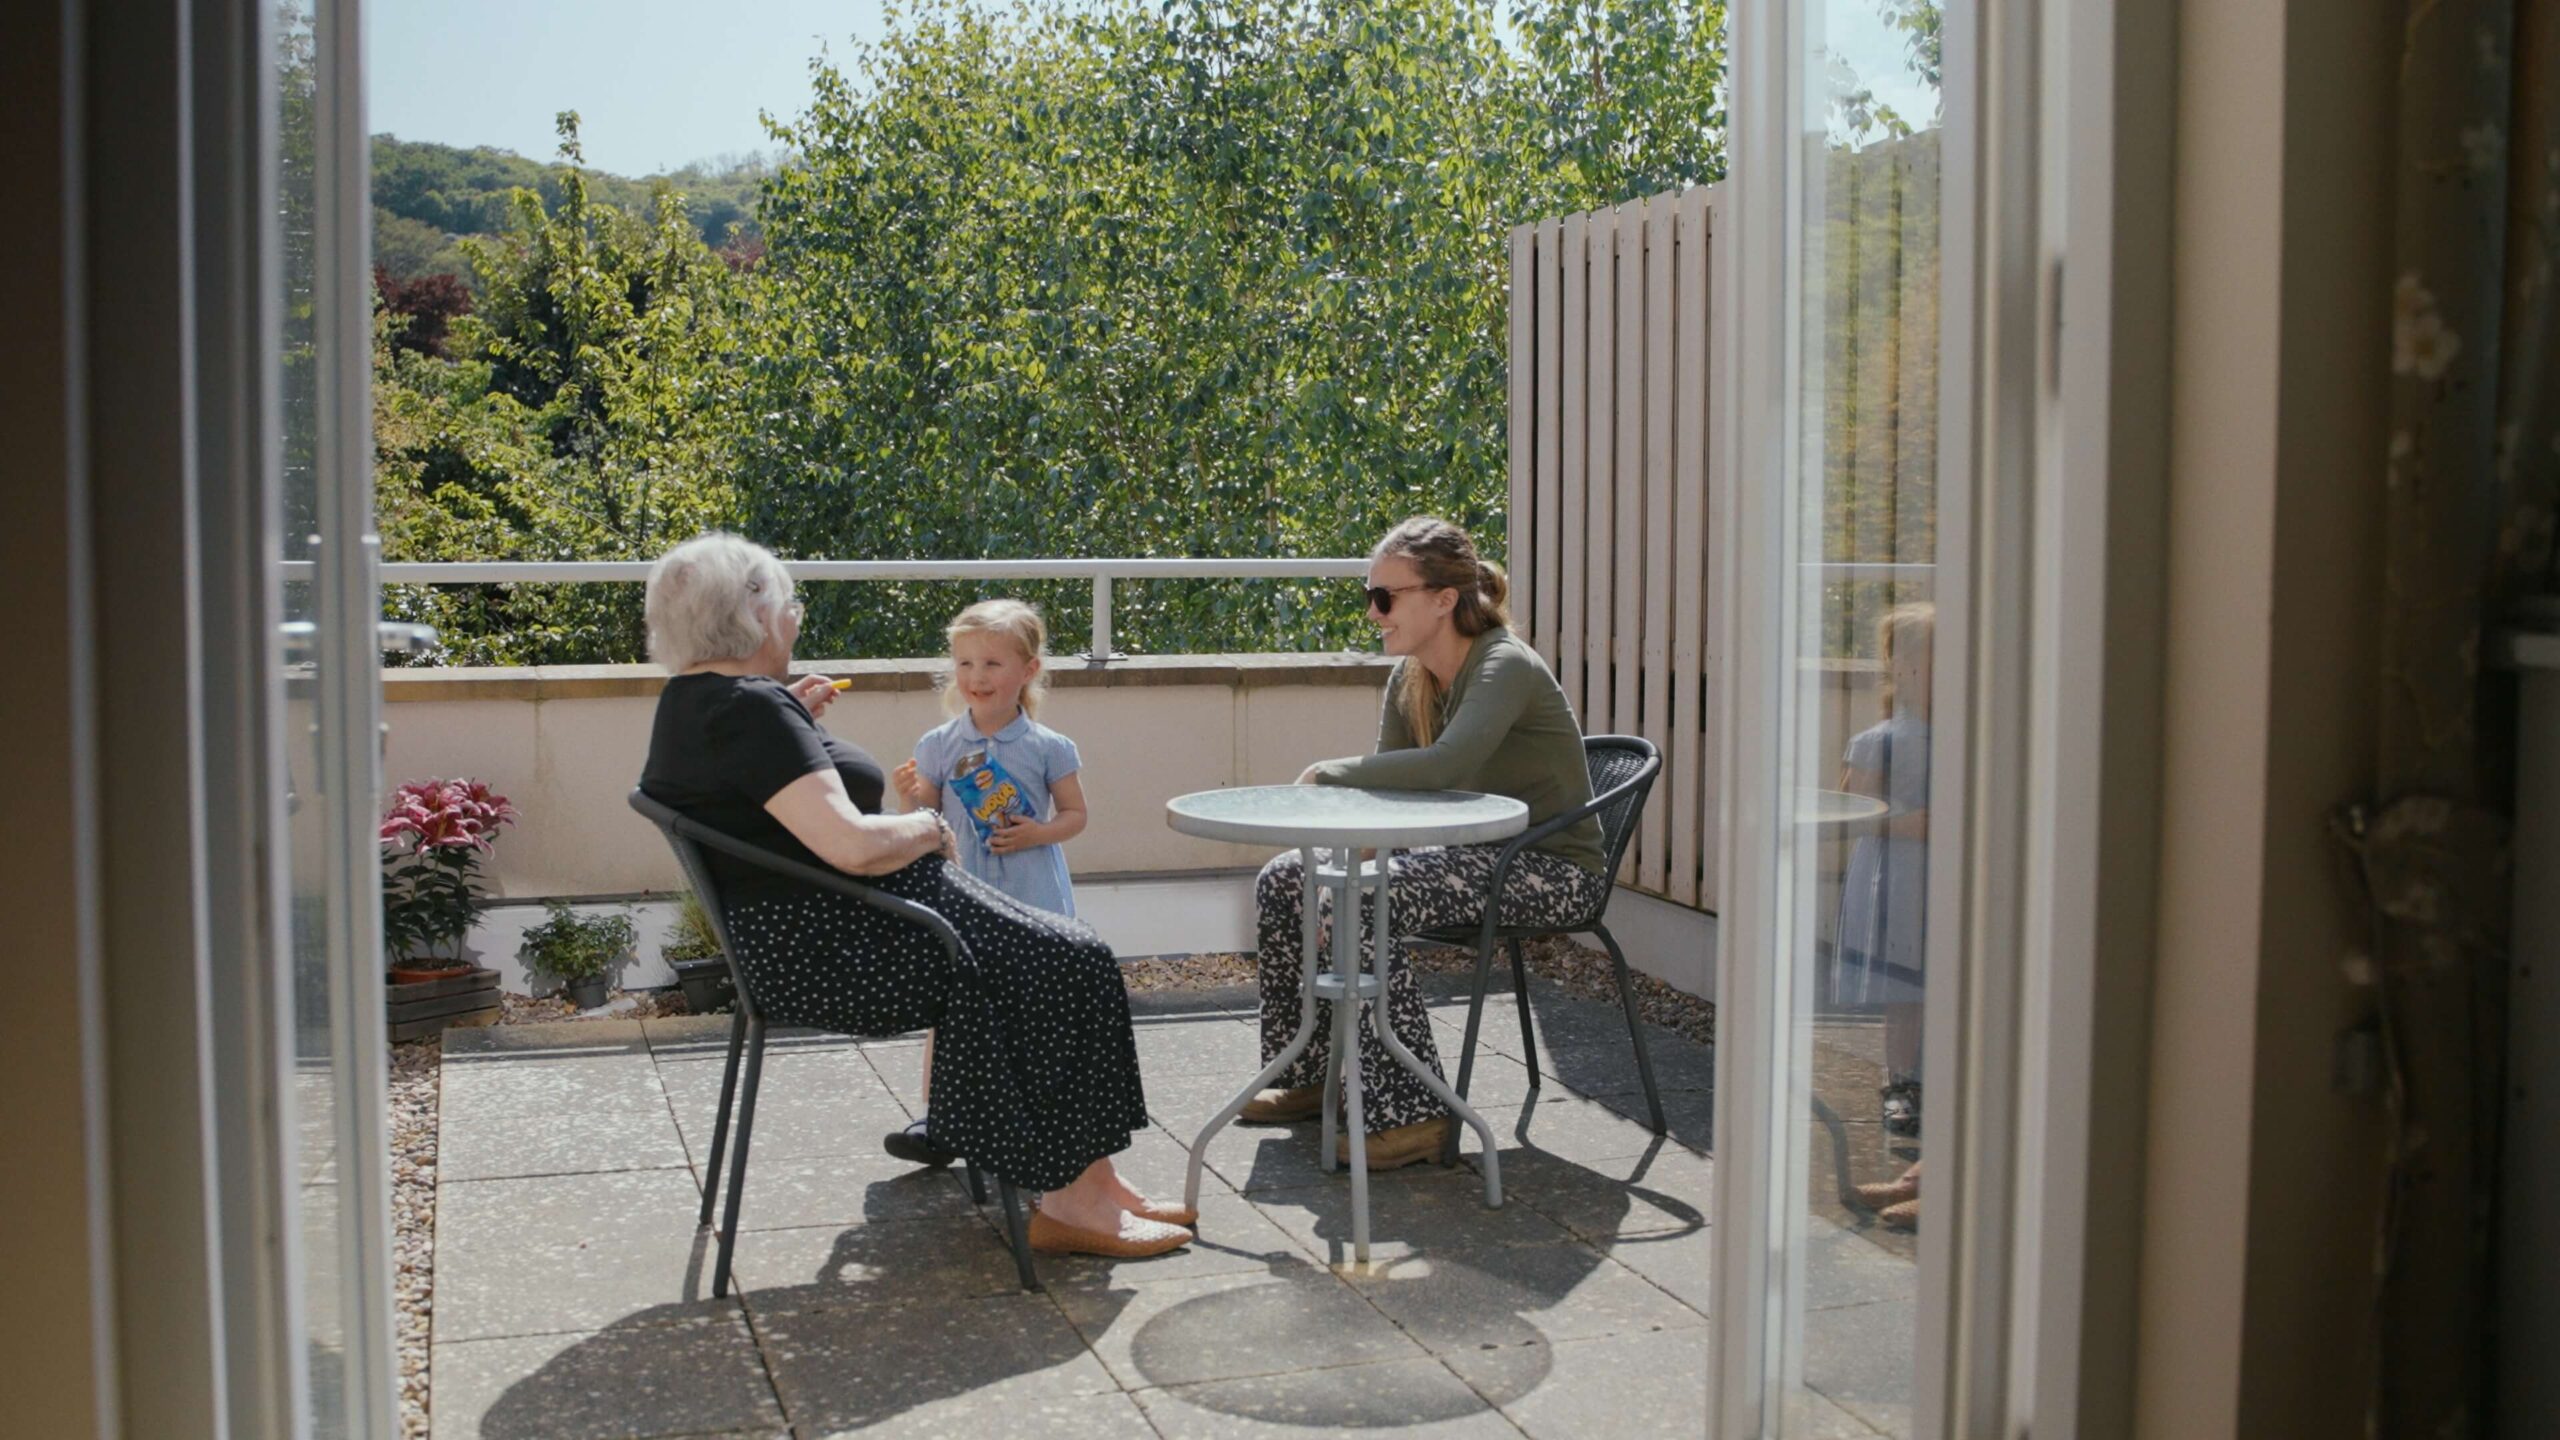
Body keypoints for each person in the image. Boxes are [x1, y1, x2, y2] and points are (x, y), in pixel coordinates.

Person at [637, 533, 1190, 1258]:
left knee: (1070, 956)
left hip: (824, 935)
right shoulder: (747, 712)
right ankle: (1072, 1200)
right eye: (791, 602)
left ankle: (1093, 1180)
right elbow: (855, 847)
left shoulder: (704, 703)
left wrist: (792, 717)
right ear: (758, 615)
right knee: (1071, 962)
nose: (797, 617)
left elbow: (777, 815)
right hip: (848, 952)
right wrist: (928, 825)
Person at [1241, 516, 1609, 1170]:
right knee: (1285, 880)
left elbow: (1444, 764)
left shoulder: (1505, 665)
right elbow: (1387, 795)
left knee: (1363, 897)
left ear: (1444, 598)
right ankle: (1309, 1073)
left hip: (1546, 867)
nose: (1374, 612)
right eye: (1369, 597)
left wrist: (1330, 771)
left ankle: (1411, 1115)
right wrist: (1335, 862)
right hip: (1468, 860)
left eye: (1387, 597)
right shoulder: (1410, 677)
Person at [882, 599, 1089, 1164]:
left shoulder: (1049, 747)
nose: (976, 677)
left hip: (1030, 892)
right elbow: (927, 816)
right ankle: (938, 1121)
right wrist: (909, 795)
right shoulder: (939, 744)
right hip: (964, 892)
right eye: (966, 664)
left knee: (1032, 1003)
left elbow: (1075, 815)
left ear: (1029, 671)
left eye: (993, 664)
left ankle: (1039, 1113)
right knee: (950, 1006)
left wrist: (1038, 832)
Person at [1834, 602, 1934, 1230]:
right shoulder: (1882, 740)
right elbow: (1849, 808)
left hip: (1946, 877)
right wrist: (1910, 823)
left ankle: (1933, 1092)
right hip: (1900, 874)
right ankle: (1904, 1085)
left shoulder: (1977, 730)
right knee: (1905, 987)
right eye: (1921, 662)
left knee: (1942, 982)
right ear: (1900, 668)